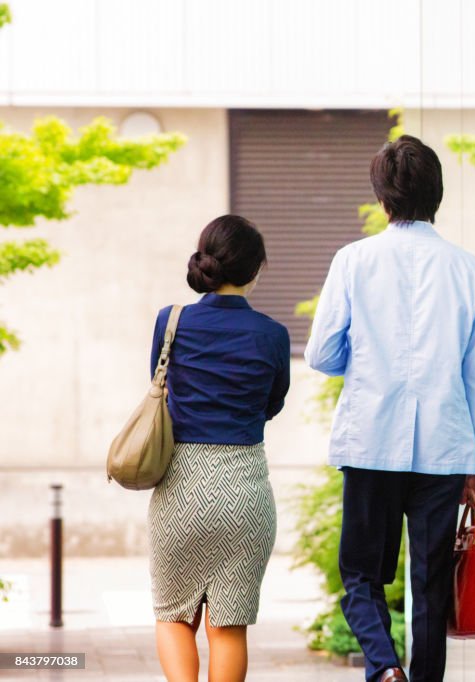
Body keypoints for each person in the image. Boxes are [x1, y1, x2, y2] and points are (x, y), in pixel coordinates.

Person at [305, 134, 475, 682]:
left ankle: (384, 668)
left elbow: (321, 353)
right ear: (437, 193)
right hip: (445, 447)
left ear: (383, 198)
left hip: (371, 438)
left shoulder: (354, 261)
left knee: (362, 573)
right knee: (432, 583)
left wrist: (366, 361)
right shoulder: (469, 269)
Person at [148, 215, 290, 682]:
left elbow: (160, 388)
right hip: (245, 488)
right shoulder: (272, 335)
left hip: (182, 487)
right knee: (228, 628)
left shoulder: (172, 322)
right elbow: (273, 404)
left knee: (174, 617)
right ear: (256, 270)